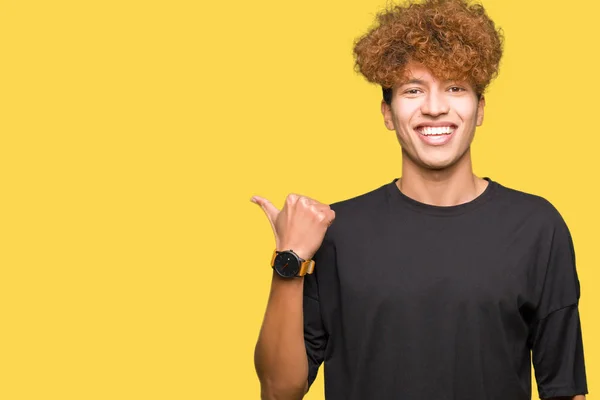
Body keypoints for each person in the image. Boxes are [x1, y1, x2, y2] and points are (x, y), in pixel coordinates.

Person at [252, 0, 588, 399]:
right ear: (388, 113)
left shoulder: (537, 227)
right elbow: (278, 391)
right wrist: (289, 260)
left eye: (455, 88)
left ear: (479, 109)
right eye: (413, 90)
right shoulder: (336, 232)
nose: (434, 107)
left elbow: (564, 389)